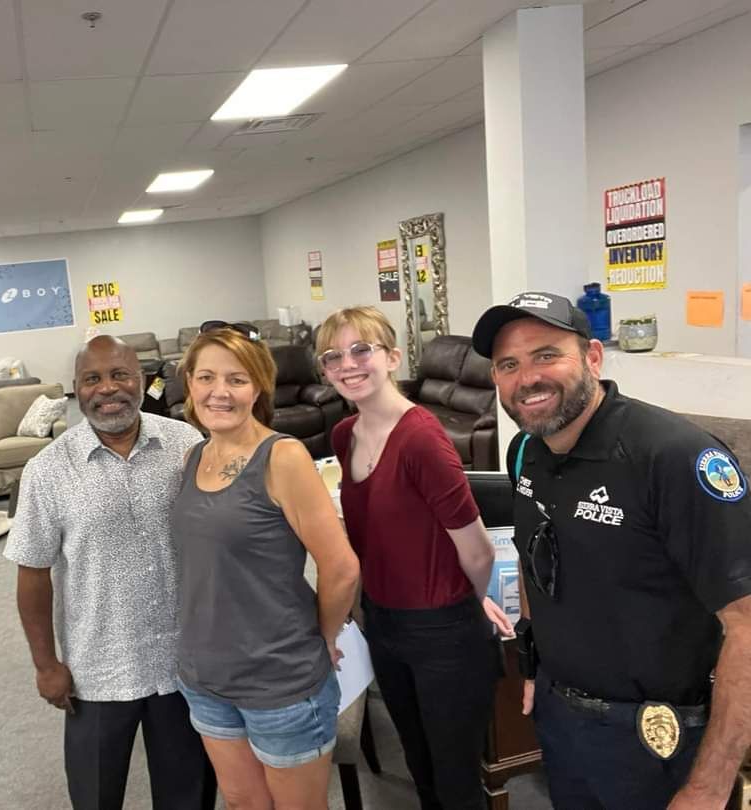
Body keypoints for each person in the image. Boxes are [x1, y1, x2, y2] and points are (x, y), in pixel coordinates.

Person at [472, 291, 751, 810]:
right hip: (562, 722)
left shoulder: (674, 457)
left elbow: (747, 625)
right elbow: (538, 561)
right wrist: (532, 665)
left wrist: (709, 788)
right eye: (508, 364)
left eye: (546, 355)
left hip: (661, 738)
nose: (526, 378)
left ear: (593, 358)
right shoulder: (526, 450)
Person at [4, 335, 215, 810]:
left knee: (189, 795)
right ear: (76, 391)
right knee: (96, 796)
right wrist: (45, 665)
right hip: (95, 671)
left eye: (120, 375)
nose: (108, 389)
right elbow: (33, 573)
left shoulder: (186, 446)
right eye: (92, 379)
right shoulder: (48, 470)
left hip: (183, 664)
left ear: (141, 381)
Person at [316, 305, 512, 810]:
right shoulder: (344, 436)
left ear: (393, 357)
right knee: (419, 766)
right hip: (384, 625)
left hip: (442, 632)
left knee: (455, 781)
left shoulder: (423, 439)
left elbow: (476, 549)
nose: (348, 364)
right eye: (333, 356)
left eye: (362, 349)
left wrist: (464, 607)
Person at [171, 322, 360, 810]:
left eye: (236, 379)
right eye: (206, 377)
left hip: (281, 682)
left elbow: (341, 567)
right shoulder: (194, 456)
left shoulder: (283, 457)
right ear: (189, 383)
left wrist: (322, 637)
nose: (220, 392)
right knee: (242, 803)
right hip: (205, 677)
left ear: (257, 387)